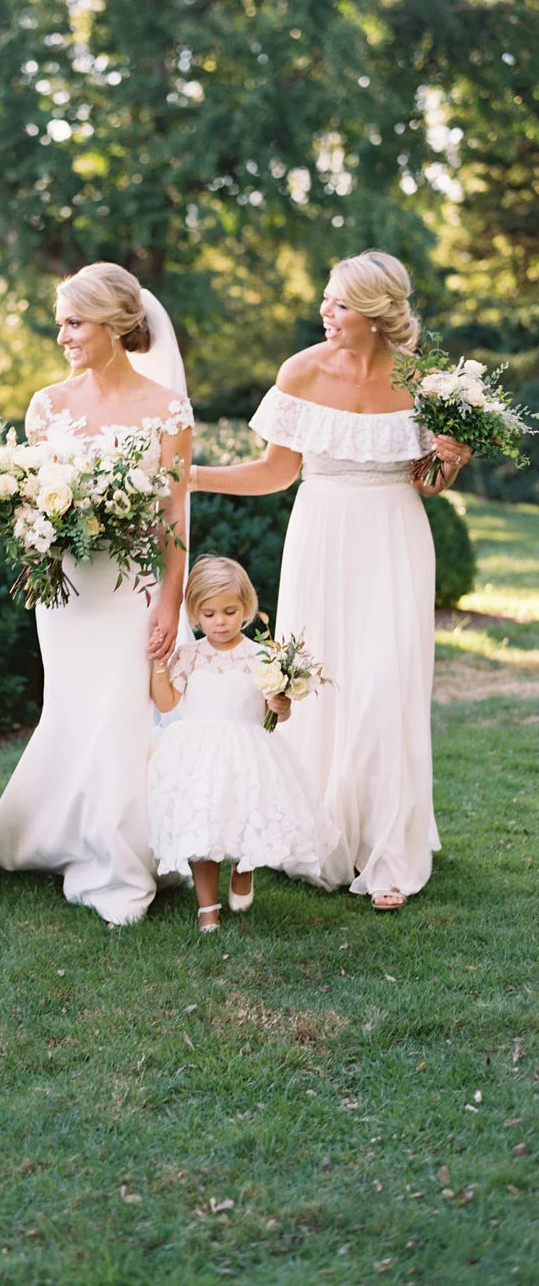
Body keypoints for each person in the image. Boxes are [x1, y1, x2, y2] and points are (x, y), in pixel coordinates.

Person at [190, 251, 472, 910]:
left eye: (339, 304)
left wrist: (449, 463)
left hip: (394, 539)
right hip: (320, 538)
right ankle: (318, 830)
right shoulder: (302, 371)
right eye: (327, 299)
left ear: (375, 315)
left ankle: (388, 855)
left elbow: (423, 483)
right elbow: (274, 472)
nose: (325, 312)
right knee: (317, 688)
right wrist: (194, 476)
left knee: (384, 685)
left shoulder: (425, 382)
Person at [0, 262, 193, 925]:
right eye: (61, 322)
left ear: (115, 325)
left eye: (75, 322)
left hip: (132, 588)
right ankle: (64, 836)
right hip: (67, 592)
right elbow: (34, 497)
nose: (63, 334)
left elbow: (174, 515)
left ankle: (118, 864)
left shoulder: (166, 408)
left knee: (122, 718)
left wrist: (170, 601)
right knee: (74, 711)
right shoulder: (49, 404)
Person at [148, 556, 338, 931]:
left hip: (249, 752)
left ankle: (243, 867)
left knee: (245, 815)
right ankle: (207, 909)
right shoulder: (190, 656)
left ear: (247, 607)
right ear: (194, 615)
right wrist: (157, 663)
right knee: (202, 828)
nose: (220, 621)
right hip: (199, 754)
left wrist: (281, 704)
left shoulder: (261, 657)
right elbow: (167, 702)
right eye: (209, 613)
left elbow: (278, 714)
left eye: (230, 611)